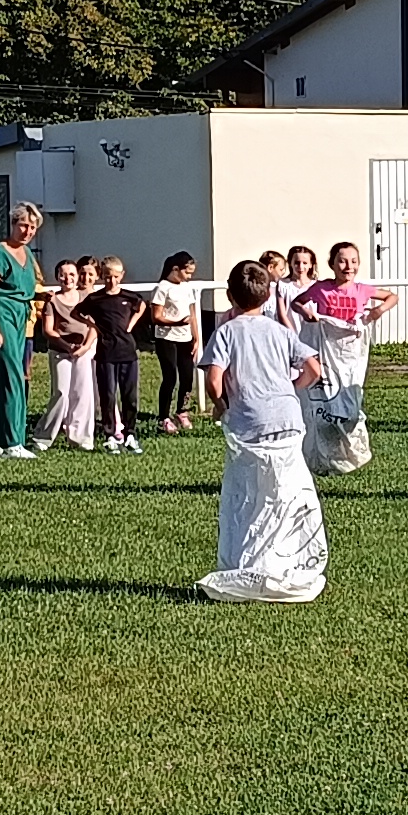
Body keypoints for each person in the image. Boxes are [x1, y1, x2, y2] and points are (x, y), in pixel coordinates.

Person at [195, 258, 329, 603]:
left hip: (249, 423)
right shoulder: (280, 331)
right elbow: (313, 369)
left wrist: (222, 404)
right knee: (284, 493)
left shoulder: (227, 331)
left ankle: (249, 564)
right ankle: (284, 560)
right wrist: (290, 389)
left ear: (229, 295)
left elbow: (213, 379)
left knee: (250, 495)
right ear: (269, 295)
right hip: (288, 421)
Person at [290, 242, 390, 475]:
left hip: (352, 357)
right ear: (332, 264)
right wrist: (307, 312)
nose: (348, 266)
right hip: (327, 353)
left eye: (354, 261)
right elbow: (297, 303)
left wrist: (378, 311)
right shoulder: (322, 289)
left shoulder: (362, 290)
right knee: (325, 401)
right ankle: (322, 454)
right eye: (343, 261)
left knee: (349, 403)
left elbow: (391, 297)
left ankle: (349, 452)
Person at [0, 204, 43, 458]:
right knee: (12, 375)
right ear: (13, 224)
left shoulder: (27, 253)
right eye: (23, 225)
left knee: (5, 375)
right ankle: (12, 441)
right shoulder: (0, 252)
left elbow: (27, 288)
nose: (27, 232)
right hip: (2, 314)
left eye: (32, 227)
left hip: (22, 315)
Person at [30, 257, 100, 455]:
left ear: (77, 277)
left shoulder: (86, 297)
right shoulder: (52, 301)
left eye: (71, 274)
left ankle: (81, 437)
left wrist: (85, 347)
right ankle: (44, 436)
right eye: (63, 275)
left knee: (83, 393)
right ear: (57, 277)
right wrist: (66, 345)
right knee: (61, 393)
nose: (67, 278)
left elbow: (95, 325)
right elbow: (48, 330)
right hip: (60, 352)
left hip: (84, 350)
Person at [84, 255, 146, 453]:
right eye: (108, 276)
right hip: (106, 353)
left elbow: (142, 306)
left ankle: (130, 434)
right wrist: (93, 326)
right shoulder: (95, 299)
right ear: (102, 276)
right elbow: (77, 312)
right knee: (108, 395)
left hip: (127, 352)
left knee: (130, 396)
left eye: (116, 277)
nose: (112, 280)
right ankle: (110, 434)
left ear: (122, 275)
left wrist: (131, 324)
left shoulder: (129, 297)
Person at [146, 251, 209, 434]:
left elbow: (192, 314)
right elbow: (156, 316)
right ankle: (163, 417)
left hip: (185, 338)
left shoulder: (186, 288)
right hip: (166, 338)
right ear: (175, 269)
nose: (189, 276)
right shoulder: (163, 288)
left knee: (187, 376)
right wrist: (176, 323)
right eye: (187, 272)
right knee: (170, 377)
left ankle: (182, 411)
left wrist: (196, 337)